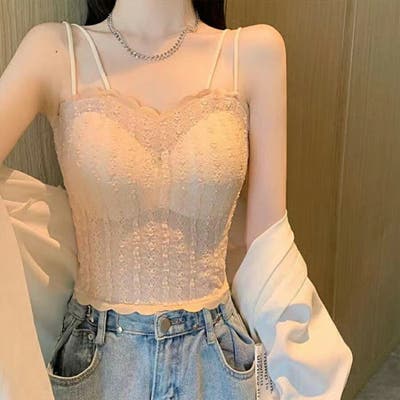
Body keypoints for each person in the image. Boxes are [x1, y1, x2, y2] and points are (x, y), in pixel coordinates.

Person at [0, 1, 353, 399]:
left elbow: (267, 248)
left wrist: (301, 373)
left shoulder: (254, 53)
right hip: (96, 365)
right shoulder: (55, 51)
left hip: (216, 360)